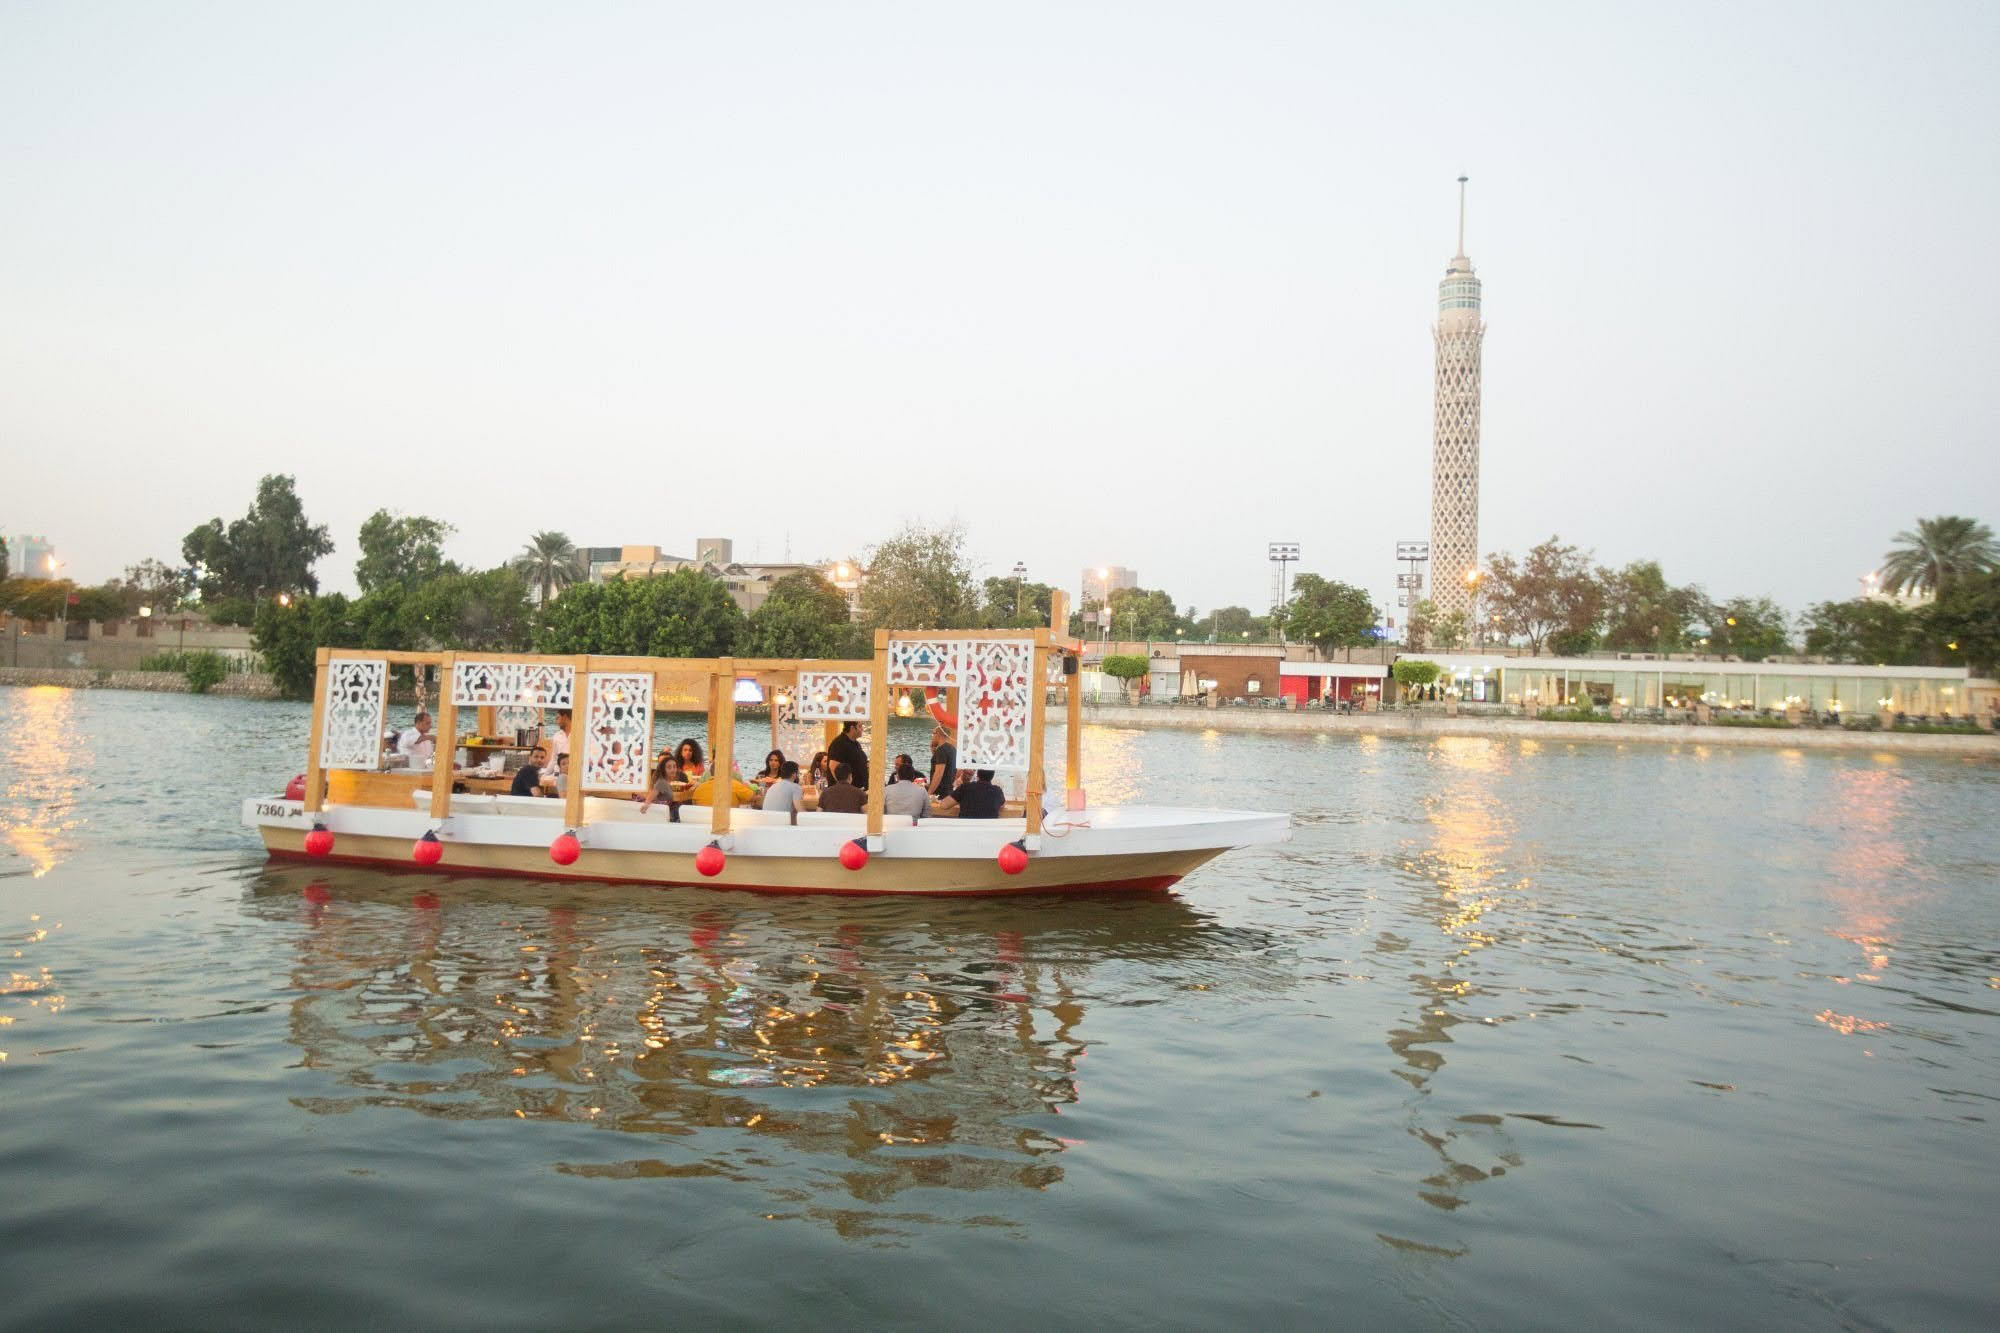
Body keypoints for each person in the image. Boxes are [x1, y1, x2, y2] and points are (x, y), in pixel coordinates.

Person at [638, 753, 683, 821]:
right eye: (669, 767)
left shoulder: (667, 782)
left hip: (666, 814)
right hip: (663, 816)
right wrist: (646, 804)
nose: (673, 769)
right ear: (663, 769)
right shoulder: (661, 782)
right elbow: (652, 794)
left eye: (674, 766)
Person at [827, 720, 869, 790]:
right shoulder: (839, 743)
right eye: (860, 726)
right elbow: (833, 766)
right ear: (852, 728)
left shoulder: (856, 743)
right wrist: (845, 789)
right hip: (845, 792)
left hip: (858, 789)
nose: (862, 729)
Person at [761, 759, 805, 824]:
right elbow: (800, 810)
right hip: (781, 827)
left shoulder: (772, 787)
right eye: (798, 773)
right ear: (794, 774)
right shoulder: (795, 787)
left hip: (765, 824)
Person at [927, 726, 956, 797]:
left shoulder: (941, 750)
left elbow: (938, 774)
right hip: (948, 789)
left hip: (940, 792)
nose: (932, 736)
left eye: (933, 733)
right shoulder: (952, 749)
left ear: (938, 734)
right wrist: (933, 751)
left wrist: (929, 793)